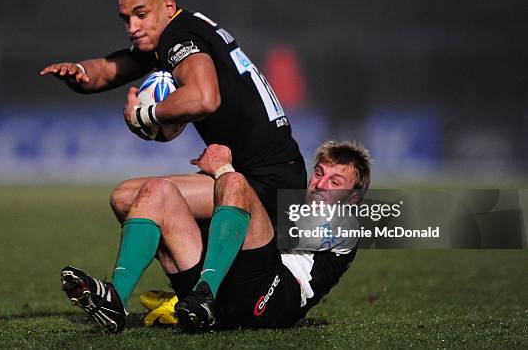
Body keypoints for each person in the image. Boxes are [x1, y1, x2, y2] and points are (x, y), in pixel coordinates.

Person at [41, 0, 306, 327]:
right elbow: (108, 70)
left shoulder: (180, 37)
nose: (132, 27)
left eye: (140, 14)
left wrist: (147, 113)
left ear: (168, 6)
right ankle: (185, 295)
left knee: (147, 196)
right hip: (263, 173)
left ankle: (155, 296)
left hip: (267, 182)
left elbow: (204, 97)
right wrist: (78, 71)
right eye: (126, 19)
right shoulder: (178, 32)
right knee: (124, 197)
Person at [60, 141, 371, 332]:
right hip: (221, 291)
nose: (320, 183)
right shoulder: (283, 200)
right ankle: (116, 300)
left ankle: (205, 293)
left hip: (273, 300)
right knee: (155, 192)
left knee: (235, 184)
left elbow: (284, 226)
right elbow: (125, 198)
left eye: (336, 180)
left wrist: (222, 173)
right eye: (319, 172)